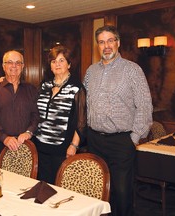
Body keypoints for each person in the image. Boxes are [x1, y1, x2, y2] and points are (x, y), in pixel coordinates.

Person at [83, 25, 153, 216]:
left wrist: (134, 138)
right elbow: (81, 97)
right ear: (98, 45)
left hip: (121, 142)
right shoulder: (91, 71)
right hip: (94, 141)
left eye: (110, 40)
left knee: (122, 194)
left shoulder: (132, 70)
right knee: (97, 191)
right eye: (101, 42)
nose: (106, 46)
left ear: (118, 42)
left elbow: (145, 106)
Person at [33, 45, 87, 184]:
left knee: (59, 187)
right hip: (40, 146)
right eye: (53, 61)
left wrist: (74, 145)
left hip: (62, 149)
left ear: (69, 64)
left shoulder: (77, 87)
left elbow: (82, 121)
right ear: (50, 66)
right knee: (42, 187)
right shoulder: (44, 85)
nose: (57, 64)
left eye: (61, 60)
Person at [0, 50, 40, 155]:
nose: (14, 66)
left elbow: (36, 115)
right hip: (0, 146)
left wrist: (29, 132)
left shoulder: (31, 89)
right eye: (10, 62)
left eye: (18, 62)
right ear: (3, 66)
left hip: (25, 146)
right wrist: (4, 138)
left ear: (22, 66)